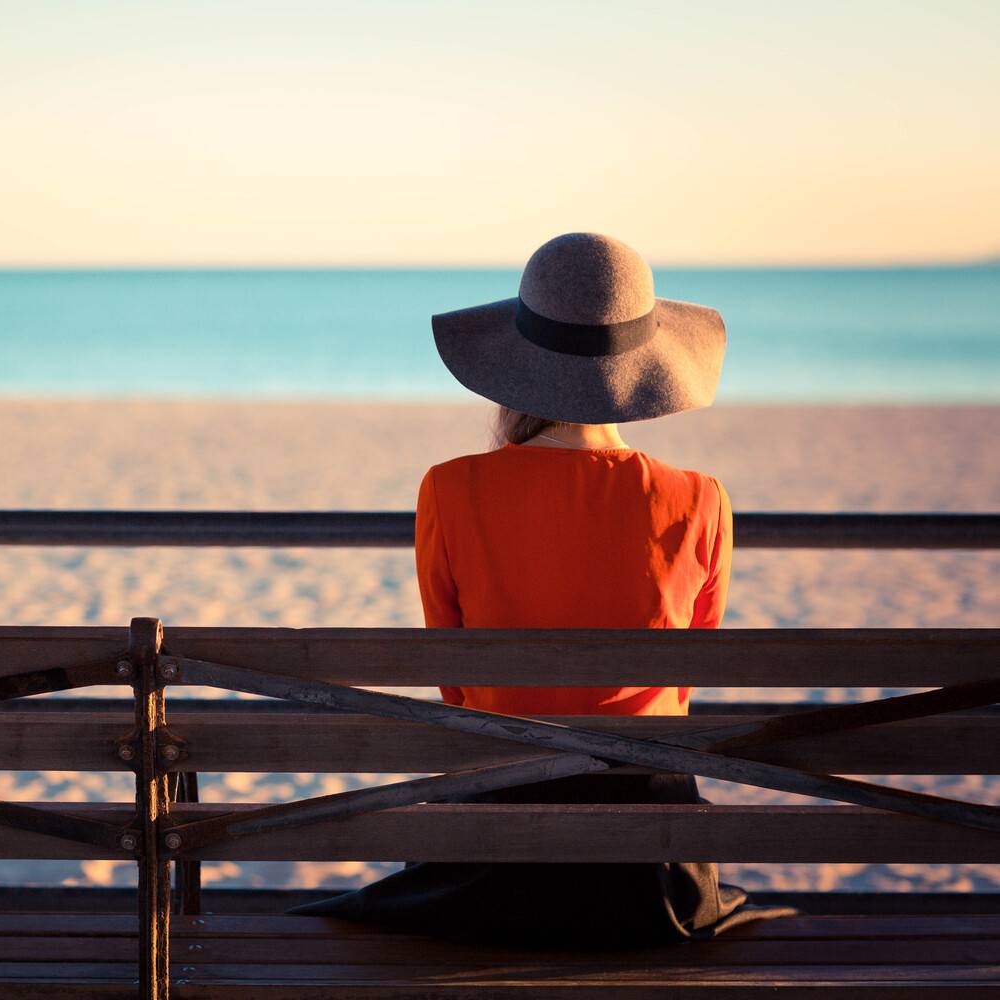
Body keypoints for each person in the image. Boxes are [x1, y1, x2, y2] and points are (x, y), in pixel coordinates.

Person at [288, 232, 796, 950]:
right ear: (647, 363)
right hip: (646, 869)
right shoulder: (699, 499)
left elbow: (453, 680)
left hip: (490, 860)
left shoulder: (452, 488)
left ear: (515, 364)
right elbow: (685, 684)